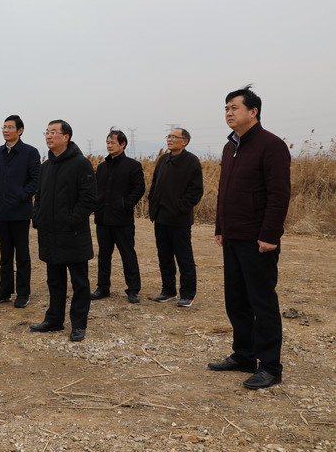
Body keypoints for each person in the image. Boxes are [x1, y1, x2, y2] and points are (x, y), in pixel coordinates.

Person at [208, 86, 291, 390]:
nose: (228, 113)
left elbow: (279, 194)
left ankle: (270, 366)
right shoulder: (230, 147)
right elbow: (225, 190)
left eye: (234, 107)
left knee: (261, 302)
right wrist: (220, 226)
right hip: (233, 236)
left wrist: (269, 234)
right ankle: (244, 355)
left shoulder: (271, 145)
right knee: (236, 300)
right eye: (226, 108)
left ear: (253, 111)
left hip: (257, 240)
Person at [29, 120, 97, 342]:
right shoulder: (46, 166)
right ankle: (54, 320)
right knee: (54, 280)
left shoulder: (81, 164)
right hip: (50, 233)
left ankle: (79, 324)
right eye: (47, 132)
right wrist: (37, 217)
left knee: (80, 282)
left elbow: (89, 198)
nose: (48, 136)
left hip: (73, 234)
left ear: (66, 137)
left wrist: (72, 220)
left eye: (53, 132)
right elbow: (39, 196)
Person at [0, 115, 40, 308]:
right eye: (4, 127)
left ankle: (23, 293)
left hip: (20, 210)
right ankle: (5, 290)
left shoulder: (30, 152)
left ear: (20, 130)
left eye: (10, 127)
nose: (5, 130)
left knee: (22, 254)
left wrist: (22, 196)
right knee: (5, 253)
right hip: (1, 209)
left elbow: (35, 180)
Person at [147, 128, 204, 307]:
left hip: (179, 220)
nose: (169, 139)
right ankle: (168, 290)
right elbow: (155, 183)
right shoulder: (164, 159)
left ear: (185, 141)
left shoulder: (191, 161)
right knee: (164, 256)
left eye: (174, 137)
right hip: (160, 217)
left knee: (184, 258)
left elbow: (196, 191)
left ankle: (187, 294)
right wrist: (153, 202)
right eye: (169, 136)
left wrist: (180, 207)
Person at [91, 128, 146, 304]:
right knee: (103, 256)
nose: (109, 145)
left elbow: (139, 189)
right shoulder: (102, 167)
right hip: (103, 219)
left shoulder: (132, 165)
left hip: (122, 220)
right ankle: (103, 287)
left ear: (123, 144)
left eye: (113, 142)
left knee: (128, 255)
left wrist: (125, 205)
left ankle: (133, 290)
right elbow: (95, 190)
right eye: (108, 142)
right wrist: (96, 206)